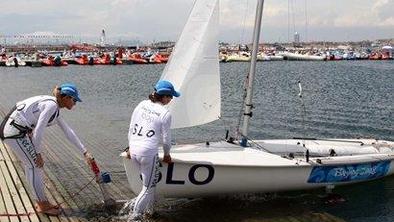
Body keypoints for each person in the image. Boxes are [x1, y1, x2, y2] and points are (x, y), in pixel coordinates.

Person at [0, 83, 94, 216]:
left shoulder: (55, 107)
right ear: (66, 97)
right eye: (74, 100)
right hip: (13, 132)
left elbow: (68, 132)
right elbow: (38, 131)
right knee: (35, 164)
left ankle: (40, 202)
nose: (75, 104)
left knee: (31, 165)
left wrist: (85, 152)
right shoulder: (51, 106)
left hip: (16, 130)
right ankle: (42, 205)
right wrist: (38, 153)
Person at [127, 80, 180, 220]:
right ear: (165, 97)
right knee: (148, 188)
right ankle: (134, 217)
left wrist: (129, 147)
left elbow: (131, 128)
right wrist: (167, 155)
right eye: (170, 96)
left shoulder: (142, 104)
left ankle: (149, 212)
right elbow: (166, 140)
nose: (171, 99)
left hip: (134, 149)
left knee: (150, 185)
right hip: (148, 153)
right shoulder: (165, 113)